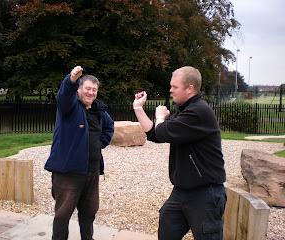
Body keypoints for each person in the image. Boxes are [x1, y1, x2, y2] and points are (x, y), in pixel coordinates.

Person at [133, 66, 227, 240]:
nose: (170, 90)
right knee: (167, 228)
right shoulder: (184, 110)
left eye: (174, 87)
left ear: (189, 88)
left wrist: (161, 117)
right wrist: (138, 108)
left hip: (205, 193)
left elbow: (161, 130)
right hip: (181, 191)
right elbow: (155, 134)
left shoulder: (198, 112)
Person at [44, 66, 114, 240]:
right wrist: (71, 79)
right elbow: (63, 95)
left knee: (89, 212)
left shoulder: (99, 111)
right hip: (68, 172)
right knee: (62, 215)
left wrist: (99, 144)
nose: (90, 93)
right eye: (87, 88)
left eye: (94, 89)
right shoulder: (69, 107)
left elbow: (109, 127)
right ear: (79, 89)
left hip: (92, 171)